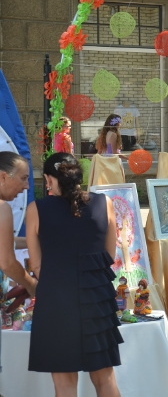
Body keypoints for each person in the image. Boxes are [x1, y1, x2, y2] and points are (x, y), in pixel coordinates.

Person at [26, 152, 122, 397]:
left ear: (48, 179)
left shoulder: (37, 208)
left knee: (65, 385)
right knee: (105, 380)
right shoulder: (104, 203)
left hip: (56, 298)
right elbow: (109, 254)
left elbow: (36, 265)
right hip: (97, 298)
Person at [0, 152, 37, 313]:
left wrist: (36, 241)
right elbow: (7, 262)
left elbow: (6, 242)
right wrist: (31, 284)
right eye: (23, 178)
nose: (27, 186)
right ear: (3, 178)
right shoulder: (2, 209)